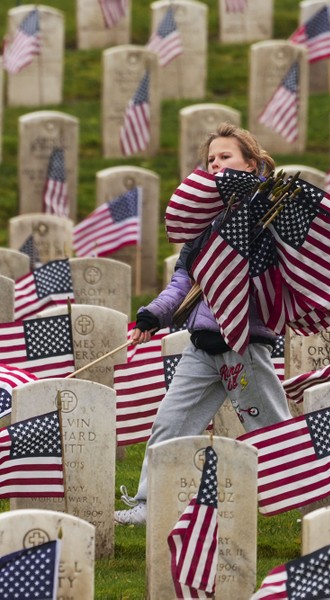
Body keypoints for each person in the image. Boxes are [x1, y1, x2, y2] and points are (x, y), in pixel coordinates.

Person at [115, 124, 292, 525]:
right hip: (201, 347)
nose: (216, 164)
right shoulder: (202, 225)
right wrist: (153, 315)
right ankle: (149, 502)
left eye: (225, 157)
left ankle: (310, 494)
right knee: (171, 422)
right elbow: (183, 283)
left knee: (272, 429)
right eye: (211, 159)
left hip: (243, 345)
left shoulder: (268, 217)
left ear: (251, 162)